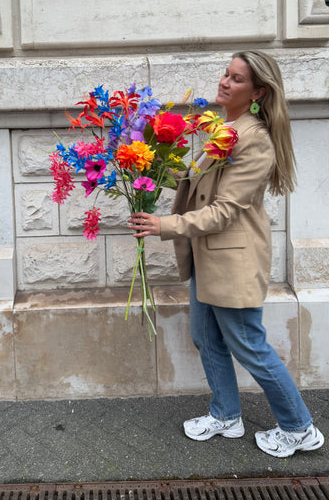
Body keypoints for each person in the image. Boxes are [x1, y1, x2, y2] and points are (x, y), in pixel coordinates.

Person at [128, 50, 325, 458]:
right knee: (205, 336)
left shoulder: (254, 141)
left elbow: (224, 210)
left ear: (258, 92)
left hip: (233, 260)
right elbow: (198, 187)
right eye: (226, 74)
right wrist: (144, 168)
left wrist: (163, 225)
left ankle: (300, 428)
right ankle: (226, 415)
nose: (224, 82)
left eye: (236, 79)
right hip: (208, 256)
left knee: (250, 346)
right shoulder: (224, 128)